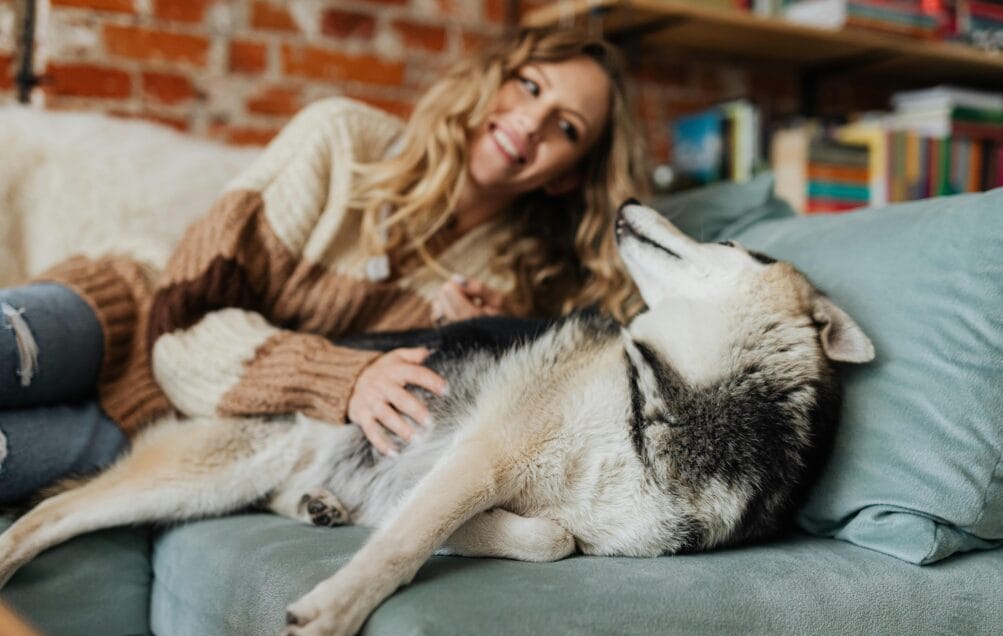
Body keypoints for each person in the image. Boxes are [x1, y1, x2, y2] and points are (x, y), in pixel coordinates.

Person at [0, 26, 648, 506]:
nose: (531, 123)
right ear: (493, 79)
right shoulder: (342, 141)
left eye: (565, 127)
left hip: (170, 431)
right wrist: (348, 375)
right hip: (127, 315)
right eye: (529, 86)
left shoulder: (507, 295)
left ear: (569, 177)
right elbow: (182, 321)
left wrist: (478, 346)